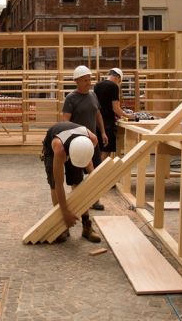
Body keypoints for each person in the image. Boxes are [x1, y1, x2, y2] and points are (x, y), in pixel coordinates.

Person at [42, 121, 101, 243]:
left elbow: (88, 161)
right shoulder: (59, 149)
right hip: (53, 148)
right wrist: (65, 213)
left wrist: (94, 187)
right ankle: (62, 226)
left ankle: (86, 226)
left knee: (78, 183)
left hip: (76, 146)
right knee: (54, 183)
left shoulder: (93, 139)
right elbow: (59, 185)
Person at [62, 65, 108, 211]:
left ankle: (95, 200)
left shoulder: (93, 95)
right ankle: (77, 201)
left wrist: (102, 132)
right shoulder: (70, 98)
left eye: (89, 79)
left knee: (95, 172)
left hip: (93, 141)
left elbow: (98, 114)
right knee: (76, 174)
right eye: (85, 80)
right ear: (77, 81)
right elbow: (65, 122)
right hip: (76, 142)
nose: (89, 82)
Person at [94, 68, 134, 161]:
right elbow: (115, 108)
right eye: (120, 81)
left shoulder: (97, 85)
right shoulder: (113, 87)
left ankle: (96, 172)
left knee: (99, 150)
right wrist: (128, 116)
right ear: (118, 78)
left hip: (96, 121)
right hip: (108, 123)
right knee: (106, 151)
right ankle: (100, 174)